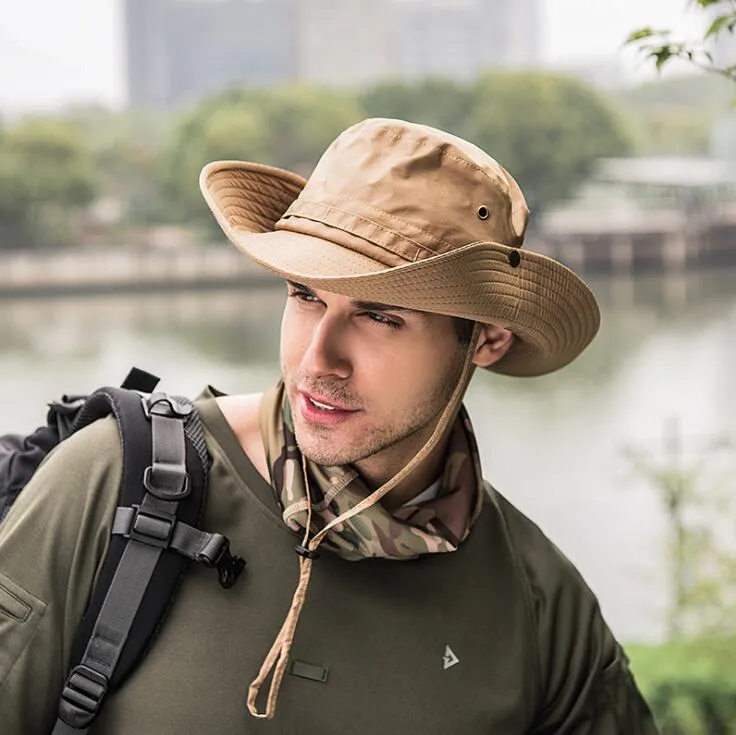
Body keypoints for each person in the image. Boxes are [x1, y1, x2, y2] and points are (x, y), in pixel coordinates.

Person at [0, 118, 659, 734]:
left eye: (380, 316)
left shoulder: (539, 600)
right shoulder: (114, 480)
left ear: (486, 339)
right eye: (305, 295)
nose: (317, 358)